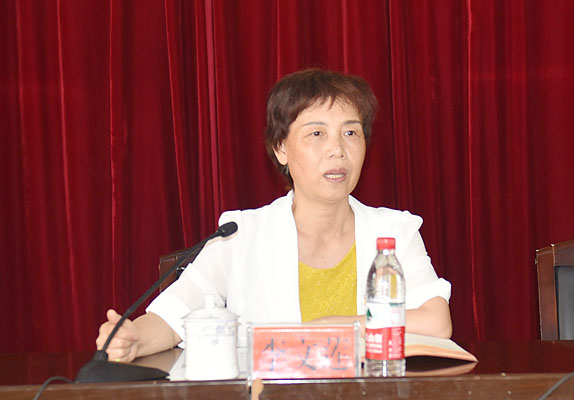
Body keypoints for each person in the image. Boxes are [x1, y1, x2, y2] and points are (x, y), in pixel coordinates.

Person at [96, 68, 452, 363]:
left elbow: (437, 323)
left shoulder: (395, 230)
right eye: (317, 133)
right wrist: (131, 339)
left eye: (350, 132)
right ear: (281, 148)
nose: (337, 149)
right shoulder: (240, 234)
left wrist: (335, 326)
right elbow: (172, 317)